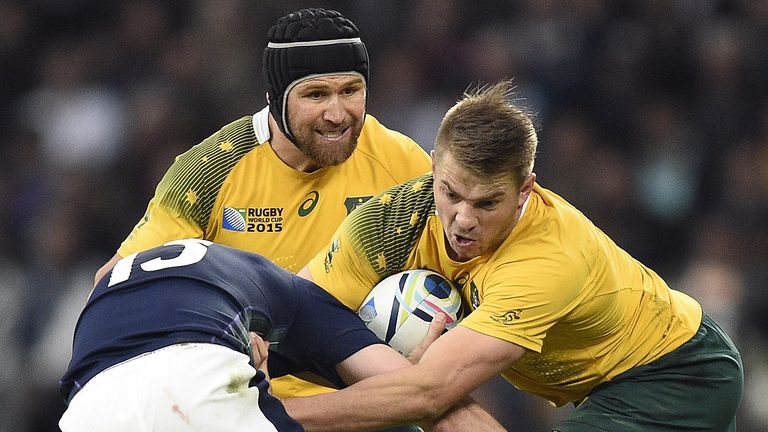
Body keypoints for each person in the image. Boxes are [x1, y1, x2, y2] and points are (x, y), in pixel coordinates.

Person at [283, 80, 745, 431]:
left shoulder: (546, 260)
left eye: (486, 203)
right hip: (592, 382)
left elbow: (426, 394)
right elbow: (297, 307)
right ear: (433, 166)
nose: (463, 219)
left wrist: (273, 417)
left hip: (675, 378)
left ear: (526, 189)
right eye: (451, 193)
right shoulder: (392, 221)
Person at [91, 7, 431, 402]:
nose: (338, 114)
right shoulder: (209, 169)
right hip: (245, 403)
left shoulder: (401, 161)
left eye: (350, 91)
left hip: (367, 398)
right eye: (316, 94)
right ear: (274, 98)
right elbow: (113, 285)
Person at [60, 238, 505, 431]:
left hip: (86, 407)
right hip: (193, 382)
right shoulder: (302, 297)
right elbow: (422, 396)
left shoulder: (230, 275)